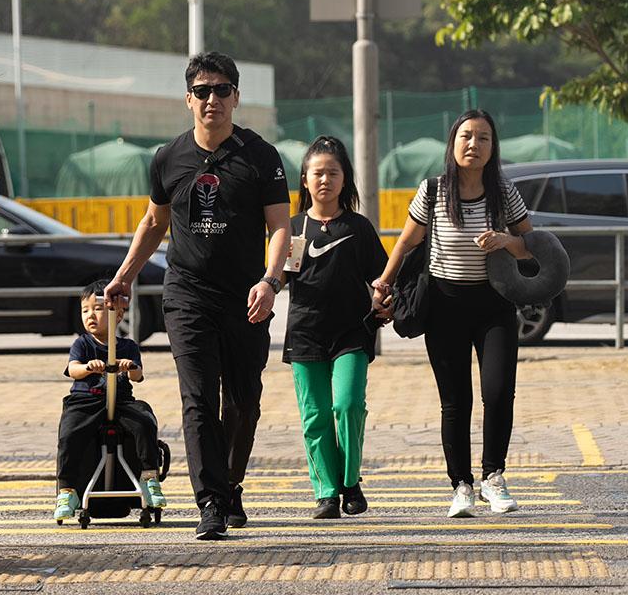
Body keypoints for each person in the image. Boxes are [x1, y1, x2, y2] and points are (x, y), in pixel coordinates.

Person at [106, 50, 291, 540]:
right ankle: (210, 501)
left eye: (222, 89)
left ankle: (231, 483)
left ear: (236, 96)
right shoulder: (168, 157)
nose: (213, 99)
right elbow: (153, 222)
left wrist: (270, 281)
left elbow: (279, 228)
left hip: (247, 295)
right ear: (189, 99)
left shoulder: (261, 156)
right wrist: (125, 274)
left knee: (244, 401)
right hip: (187, 293)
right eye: (203, 91)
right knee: (197, 399)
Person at [372, 109, 533, 517]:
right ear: (453, 143)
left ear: (492, 148)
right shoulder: (433, 191)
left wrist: (505, 240)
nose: (473, 145)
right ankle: (461, 485)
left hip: (495, 305)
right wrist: (384, 283)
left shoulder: (504, 192)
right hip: (444, 305)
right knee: (455, 401)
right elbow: (406, 243)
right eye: (466, 137)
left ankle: (493, 477)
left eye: (482, 138)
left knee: (497, 393)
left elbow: (532, 248)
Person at [280, 136, 387, 519]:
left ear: (345, 180)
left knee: (348, 405)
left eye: (332, 173)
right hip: (305, 333)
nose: (324, 179)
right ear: (305, 181)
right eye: (317, 173)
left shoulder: (358, 227)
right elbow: (280, 276)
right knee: (316, 415)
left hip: (351, 334)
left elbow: (381, 277)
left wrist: (384, 297)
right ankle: (326, 492)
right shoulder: (292, 229)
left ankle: (350, 480)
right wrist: (263, 287)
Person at [53, 280, 168, 521]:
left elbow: (138, 377)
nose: (90, 315)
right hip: (87, 401)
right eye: (85, 310)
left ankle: (149, 479)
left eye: (97, 309)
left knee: (144, 420)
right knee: (69, 430)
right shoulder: (82, 343)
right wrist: (87, 367)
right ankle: (67, 490)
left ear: (118, 315)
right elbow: (72, 369)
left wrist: (130, 366)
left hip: (121, 401)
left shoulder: (127, 345)